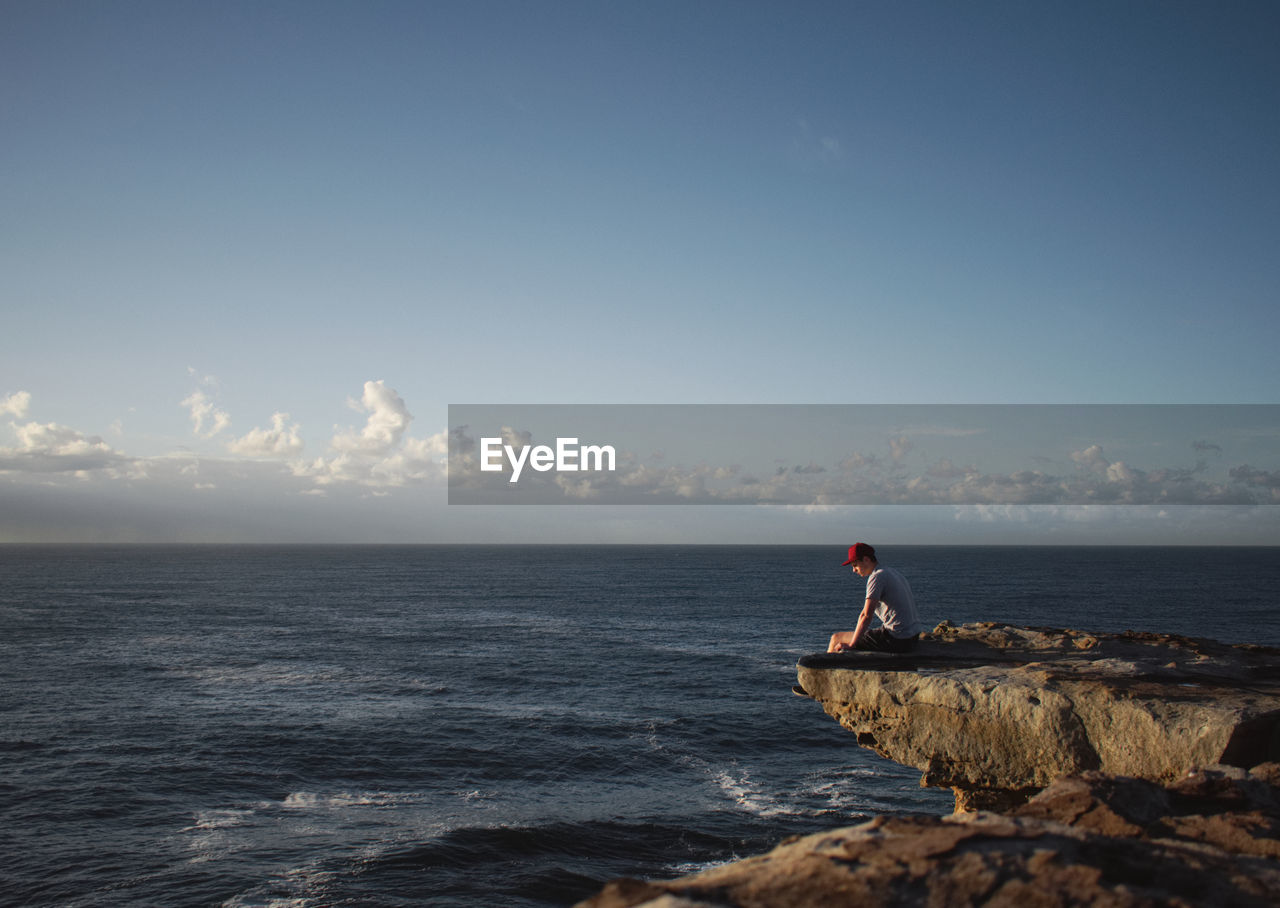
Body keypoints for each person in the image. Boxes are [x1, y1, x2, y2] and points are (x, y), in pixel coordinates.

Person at [827, 543, 923, 653]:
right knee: (862, 634)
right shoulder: (892, 572)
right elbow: (863, 614)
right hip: (912, 636)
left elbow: (867, 615)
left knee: (836, 638)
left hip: (896, 639)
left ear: (866, 560)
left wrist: (852, 644)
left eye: (855, 565)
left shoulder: (877, 577)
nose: (854, 570)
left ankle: (825, 669)